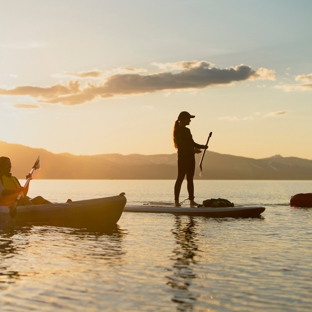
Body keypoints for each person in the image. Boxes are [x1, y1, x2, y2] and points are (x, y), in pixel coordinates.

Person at [173, 111, 207, 207]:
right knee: (180, 178)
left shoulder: (187, 130)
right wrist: (192, 150)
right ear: (183, 119)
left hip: (190, 158)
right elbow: (181, 145)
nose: (190, 121)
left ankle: (191, 201)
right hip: (183, 158)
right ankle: (176, 201)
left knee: (190, 179)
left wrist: (202, 146)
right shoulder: (177, 130)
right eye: (189, 119)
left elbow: (192, 143)